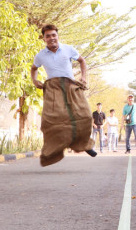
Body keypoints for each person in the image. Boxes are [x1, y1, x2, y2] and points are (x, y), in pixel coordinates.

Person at [31, 24, 96, 166]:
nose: (51, 38)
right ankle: (53, 150)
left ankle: (85, 144)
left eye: (53, 35)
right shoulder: (40, 55)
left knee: (85, 114)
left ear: (57, 36)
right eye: (48, 36)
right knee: (51, 120)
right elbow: (34, 68)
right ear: (44, 39)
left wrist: (84, 77)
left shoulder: (68, 49)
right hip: (53, 88)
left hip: (70, 85)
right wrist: (35, 80)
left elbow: (82, 61)